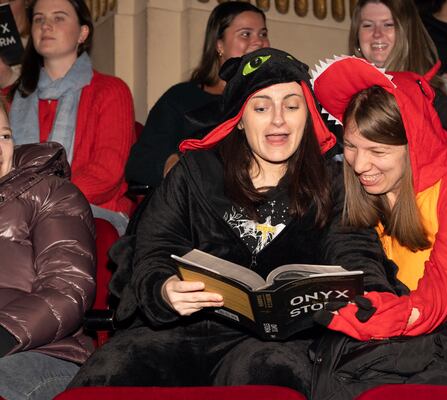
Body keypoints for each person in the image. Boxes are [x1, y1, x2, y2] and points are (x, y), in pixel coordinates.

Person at [68, 48, 401, 394]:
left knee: (272, 371)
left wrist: (370, 298)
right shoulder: (194, 173)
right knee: (112, 370)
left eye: (291, 105)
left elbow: (355, 253)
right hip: (184, 333)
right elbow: (154, 251)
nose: (278, 121)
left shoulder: (331, 183)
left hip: (284, 342)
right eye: (261, 107)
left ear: (308, 114)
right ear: (240, 118)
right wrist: (165, 290)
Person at [311, 56, 447, 339]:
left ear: (414, 145)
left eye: (377, 152)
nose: (358, 165)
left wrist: (402, 315)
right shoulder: (354, 189)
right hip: (395, 334)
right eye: (352, 147)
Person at [9, 0, 136, 235]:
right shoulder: (12, 98)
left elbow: (106, 174)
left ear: (83, 33)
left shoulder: (110, 91)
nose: (46, 25)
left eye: (58, 18)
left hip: (92, 215)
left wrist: (41, 198)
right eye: (38, 19)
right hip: (16, 214)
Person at [0, 103, 96, 400]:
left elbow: (68, 288)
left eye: (3, 136)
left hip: (42, 350)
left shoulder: (51, 192)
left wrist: (3, 333)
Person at [125, 1, 270, 189]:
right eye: (245, 34)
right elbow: (140, 164)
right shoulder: (181, 98)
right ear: (219, 45)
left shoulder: (276, 101)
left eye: (263, 34)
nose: (259, 41)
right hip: (198, 207)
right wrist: (174, 164)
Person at [349, 0, 447, 176]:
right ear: (357, 37)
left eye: (389, 24)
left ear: (407, 33)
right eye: (367, 25)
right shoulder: (346, 97)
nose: (377, 34)